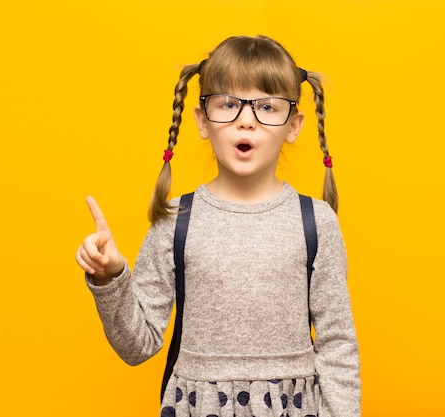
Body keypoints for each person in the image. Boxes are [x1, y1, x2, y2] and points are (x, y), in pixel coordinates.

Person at [75, 35, 360, 417]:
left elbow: (338, 345)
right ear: (202, 120)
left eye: (267, 107)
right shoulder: (175, 221)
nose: (246, 121)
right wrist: (110, 278)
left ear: (294, 125)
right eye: (228, 104)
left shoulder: (316, 222)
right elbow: (137, 345)